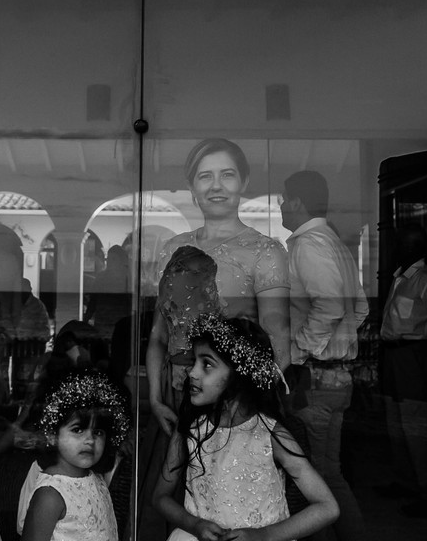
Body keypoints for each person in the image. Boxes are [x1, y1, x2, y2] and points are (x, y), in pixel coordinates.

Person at [148, 139, 293, 436]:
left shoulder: (264, 251)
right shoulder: (173, 248)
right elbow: (159, 336)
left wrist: (244, 404)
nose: (216, 186)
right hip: (176, 394)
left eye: (227, 174)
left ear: (244, 181)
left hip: (235, 401)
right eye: (205, 176)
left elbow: (278, 340)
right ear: (192, 187)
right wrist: (154, 398)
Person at [153, 314, 339, 541]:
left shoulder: (271, 434)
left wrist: (263, 535)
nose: (192, 372)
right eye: (194, 362)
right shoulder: (188, 430)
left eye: (207, 364)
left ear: (239, 374)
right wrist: (195, 525)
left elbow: (327, 507)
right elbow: (160, 497)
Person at [281, 170, 369, 541]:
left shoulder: (309, 244)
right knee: (328, 474)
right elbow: (360, 308)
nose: (281, 207)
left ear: (296, 202)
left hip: (315, 378)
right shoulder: (332, 242)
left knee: (311, 482)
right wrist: (337, 343)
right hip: (338, 376)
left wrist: (299, 349)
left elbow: (331, 305)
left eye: (283, 200)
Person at [378, 223, 427, 518]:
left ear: (417, 248)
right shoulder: (399, 277)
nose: (399, 248)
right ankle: (406, 481)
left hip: (415, 355)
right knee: (396, 422)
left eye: (405, 244)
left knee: (418, 425)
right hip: (394, 355)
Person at [17, 369, 131, 541]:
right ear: (52, 435)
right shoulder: (50, 494)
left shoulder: (96, 479)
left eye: (98, 432)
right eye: (78, 430)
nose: (90, 440)